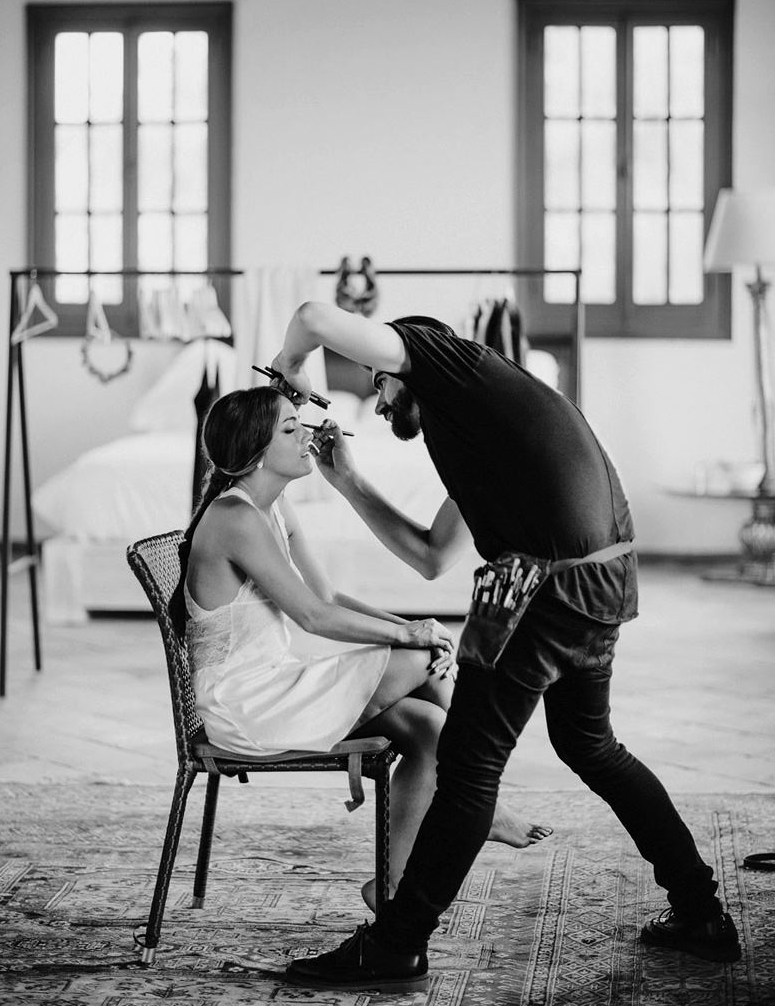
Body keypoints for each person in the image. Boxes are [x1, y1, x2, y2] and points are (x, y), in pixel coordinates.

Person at [268, 303, 741, 992]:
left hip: (546, 592)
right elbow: (431, 556)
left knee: (467, 767)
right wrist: (349, 483)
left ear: (409, 359)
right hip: (598, 584)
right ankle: (701, 912)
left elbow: (314, 315)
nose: (380, 399)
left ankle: (397, 943)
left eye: (381, 380)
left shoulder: (456, 367)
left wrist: (289, 369)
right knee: (591, 746)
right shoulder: (483, 429)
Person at [178, 386, 552, 913]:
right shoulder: (234, 518)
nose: (307, 435)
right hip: (246, 706)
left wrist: (410, 626)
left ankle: (392, 886)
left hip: (278, 684)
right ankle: (480, 801)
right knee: (425, 660)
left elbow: (328, 596)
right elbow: (313, 617)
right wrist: (411, 638)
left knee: (430, 726)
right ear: (255, 452)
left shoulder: (272, 506)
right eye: (290, 428)